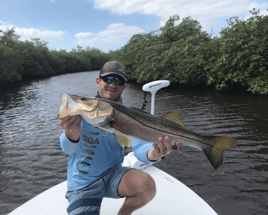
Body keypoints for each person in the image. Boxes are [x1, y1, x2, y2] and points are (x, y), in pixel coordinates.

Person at [59, 61, 182, 215]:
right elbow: (67, 148)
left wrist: (153, 154)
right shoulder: (86, 106)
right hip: (83, 182)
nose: (112, 84)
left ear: (124, 86)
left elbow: (139, 147)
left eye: (119, 80)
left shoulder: (129, 115)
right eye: (108, 79)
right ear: (98, 82)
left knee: (146, 185)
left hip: (112, 175)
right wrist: (71, 133)